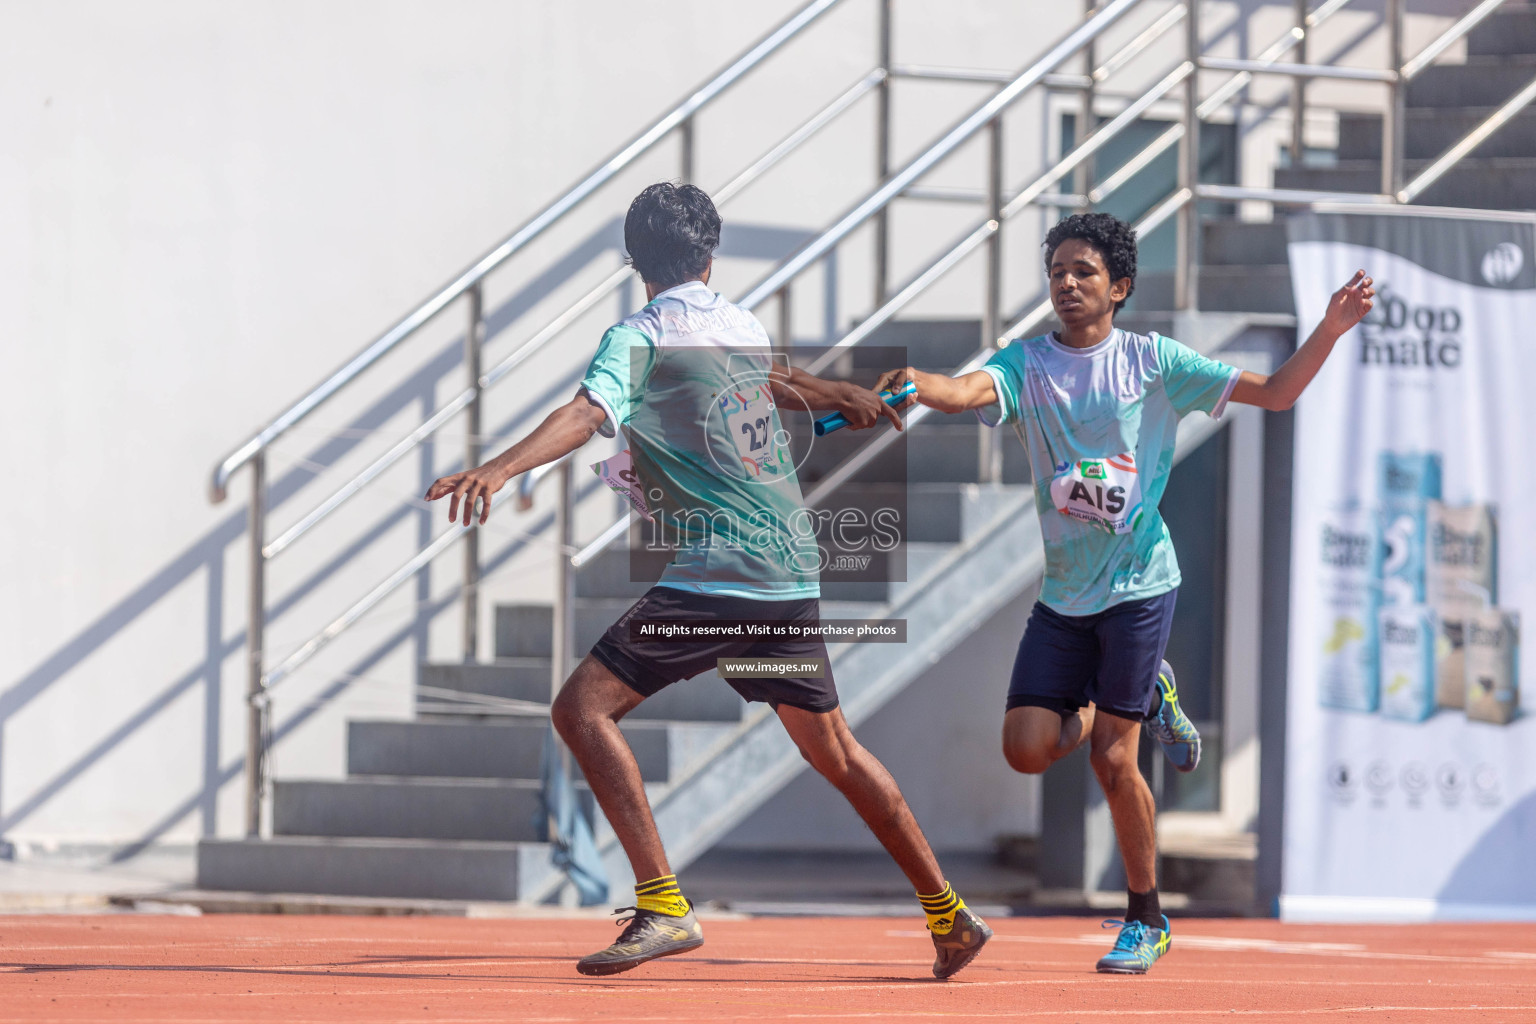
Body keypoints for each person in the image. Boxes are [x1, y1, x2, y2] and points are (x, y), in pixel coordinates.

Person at [425, 182, 992, 979]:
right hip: (787, 570)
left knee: (582, 710)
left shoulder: (638, 337)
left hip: (721, 575)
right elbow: (774, 381)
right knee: (833, 751)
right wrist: (843, 393)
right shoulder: (738, 322)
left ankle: (662, 905)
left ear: (635, 262)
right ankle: (950, 915)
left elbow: (590, 414)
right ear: (710, 255)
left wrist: (497, 466)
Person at [877, 212, 1373, 974]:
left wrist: (1332, 329)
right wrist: (917, 385)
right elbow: (963, 387)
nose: (1066, 285)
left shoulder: (1152, 361)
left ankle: (1146, 918)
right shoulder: (1026, 363)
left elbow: (1275, 394)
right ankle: (1146, 693)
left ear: (1120, 287)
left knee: (1114, 758)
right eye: (1056, 274)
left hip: (1142, 584)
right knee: (1026, 750)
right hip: (1065, 592)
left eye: (1083, 273)